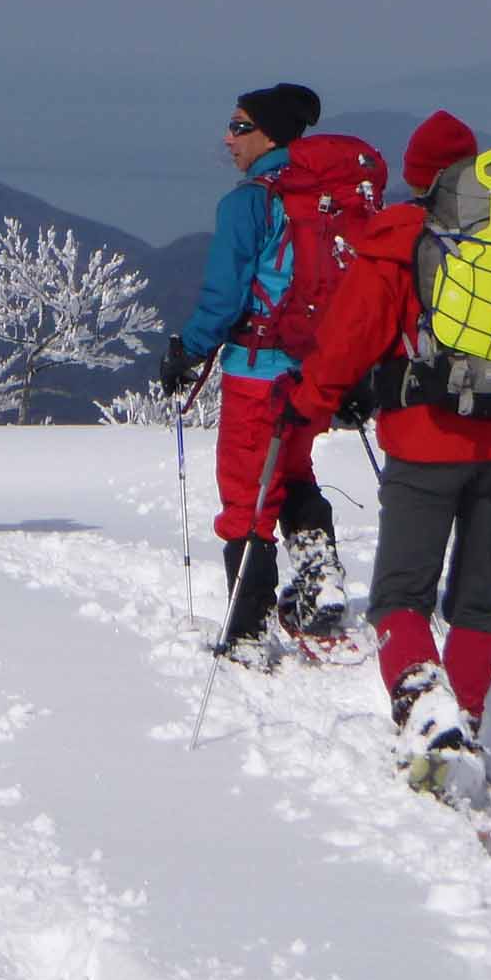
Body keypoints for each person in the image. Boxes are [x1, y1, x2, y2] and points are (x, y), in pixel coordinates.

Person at [280, 109, 491, 796]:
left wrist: (309, 404)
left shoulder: (398, 242)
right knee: (474, 596)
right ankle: (464, 718)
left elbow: (347, 338)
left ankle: (426, 712)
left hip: (425, 440)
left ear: (417, 177)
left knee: (400, 595)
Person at [157, 84, 349, 660]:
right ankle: (319, 588)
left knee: (247, 496)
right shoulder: (325, 198)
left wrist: (188, 350)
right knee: (292, 472)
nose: (228, 137)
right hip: (315, 368)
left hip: (258, 370)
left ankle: (248, 632)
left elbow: (225, 295)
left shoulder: (250, 202)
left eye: (240, 126)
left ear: (270, 136)